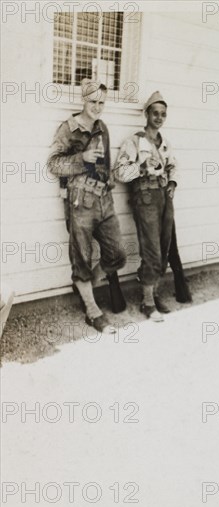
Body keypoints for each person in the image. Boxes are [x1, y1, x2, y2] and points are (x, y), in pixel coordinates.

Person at [47, 79, 127, 333]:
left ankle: (84, 286)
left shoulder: (102, 127)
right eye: (93, 101)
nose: (97, 107)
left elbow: (107, 165)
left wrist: (111, 181)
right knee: (81, 257)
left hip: (104, 199)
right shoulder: (68, 128)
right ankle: (92, 311)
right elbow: (53, 164)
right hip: (80, 200)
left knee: (117, 254)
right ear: (84, 100)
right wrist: (81, 158)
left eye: (102, 102)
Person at [115, 91, 178, 321]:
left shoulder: (165, 143)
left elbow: (173, 166)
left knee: (164, 245)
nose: (159, 117)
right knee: (151, 248)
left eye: (163, 114)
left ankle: (154, 292)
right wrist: (141, 167)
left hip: (163, 197)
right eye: (155, 113)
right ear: (146, 114)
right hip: (145, 198)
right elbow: (120, 172)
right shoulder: (134, 141)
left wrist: (172, 183)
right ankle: (147, 302)